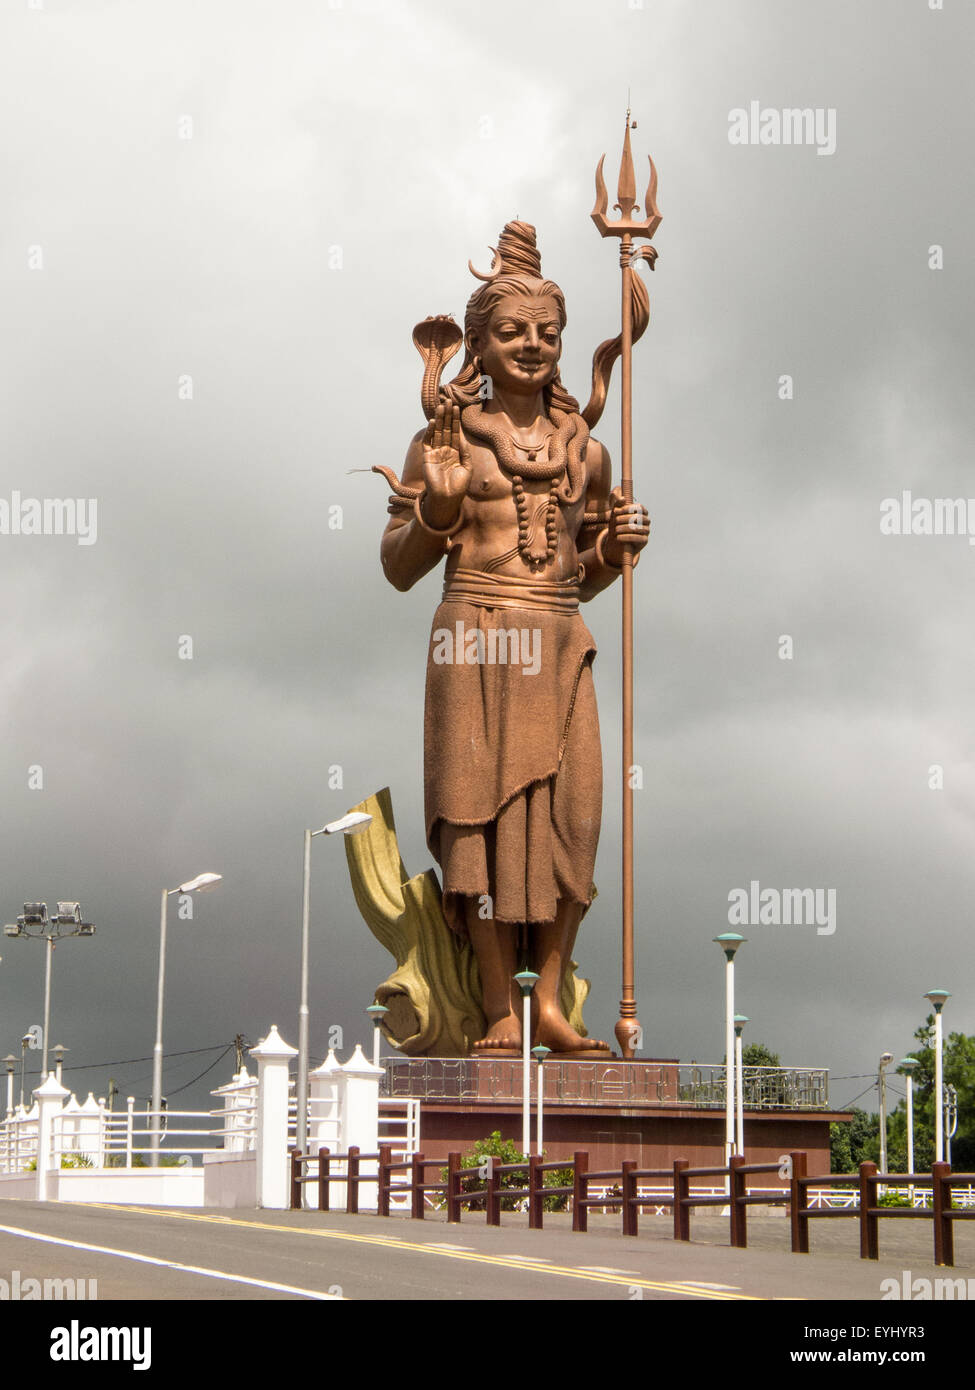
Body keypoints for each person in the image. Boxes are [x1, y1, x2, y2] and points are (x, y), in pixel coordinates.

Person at [379, 221, 649, 1054]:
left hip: (559, 637)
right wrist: (438, 508)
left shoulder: (587, 454)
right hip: (476, 638)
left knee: (573, 820)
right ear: (477, 346)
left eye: (547, 333)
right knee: (481, 830)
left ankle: (550, 1004)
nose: (531, 345)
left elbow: (582, 572)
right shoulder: (442, 441)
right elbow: (397, 567)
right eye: (510, 331)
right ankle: (500, 1003)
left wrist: (615, 548)